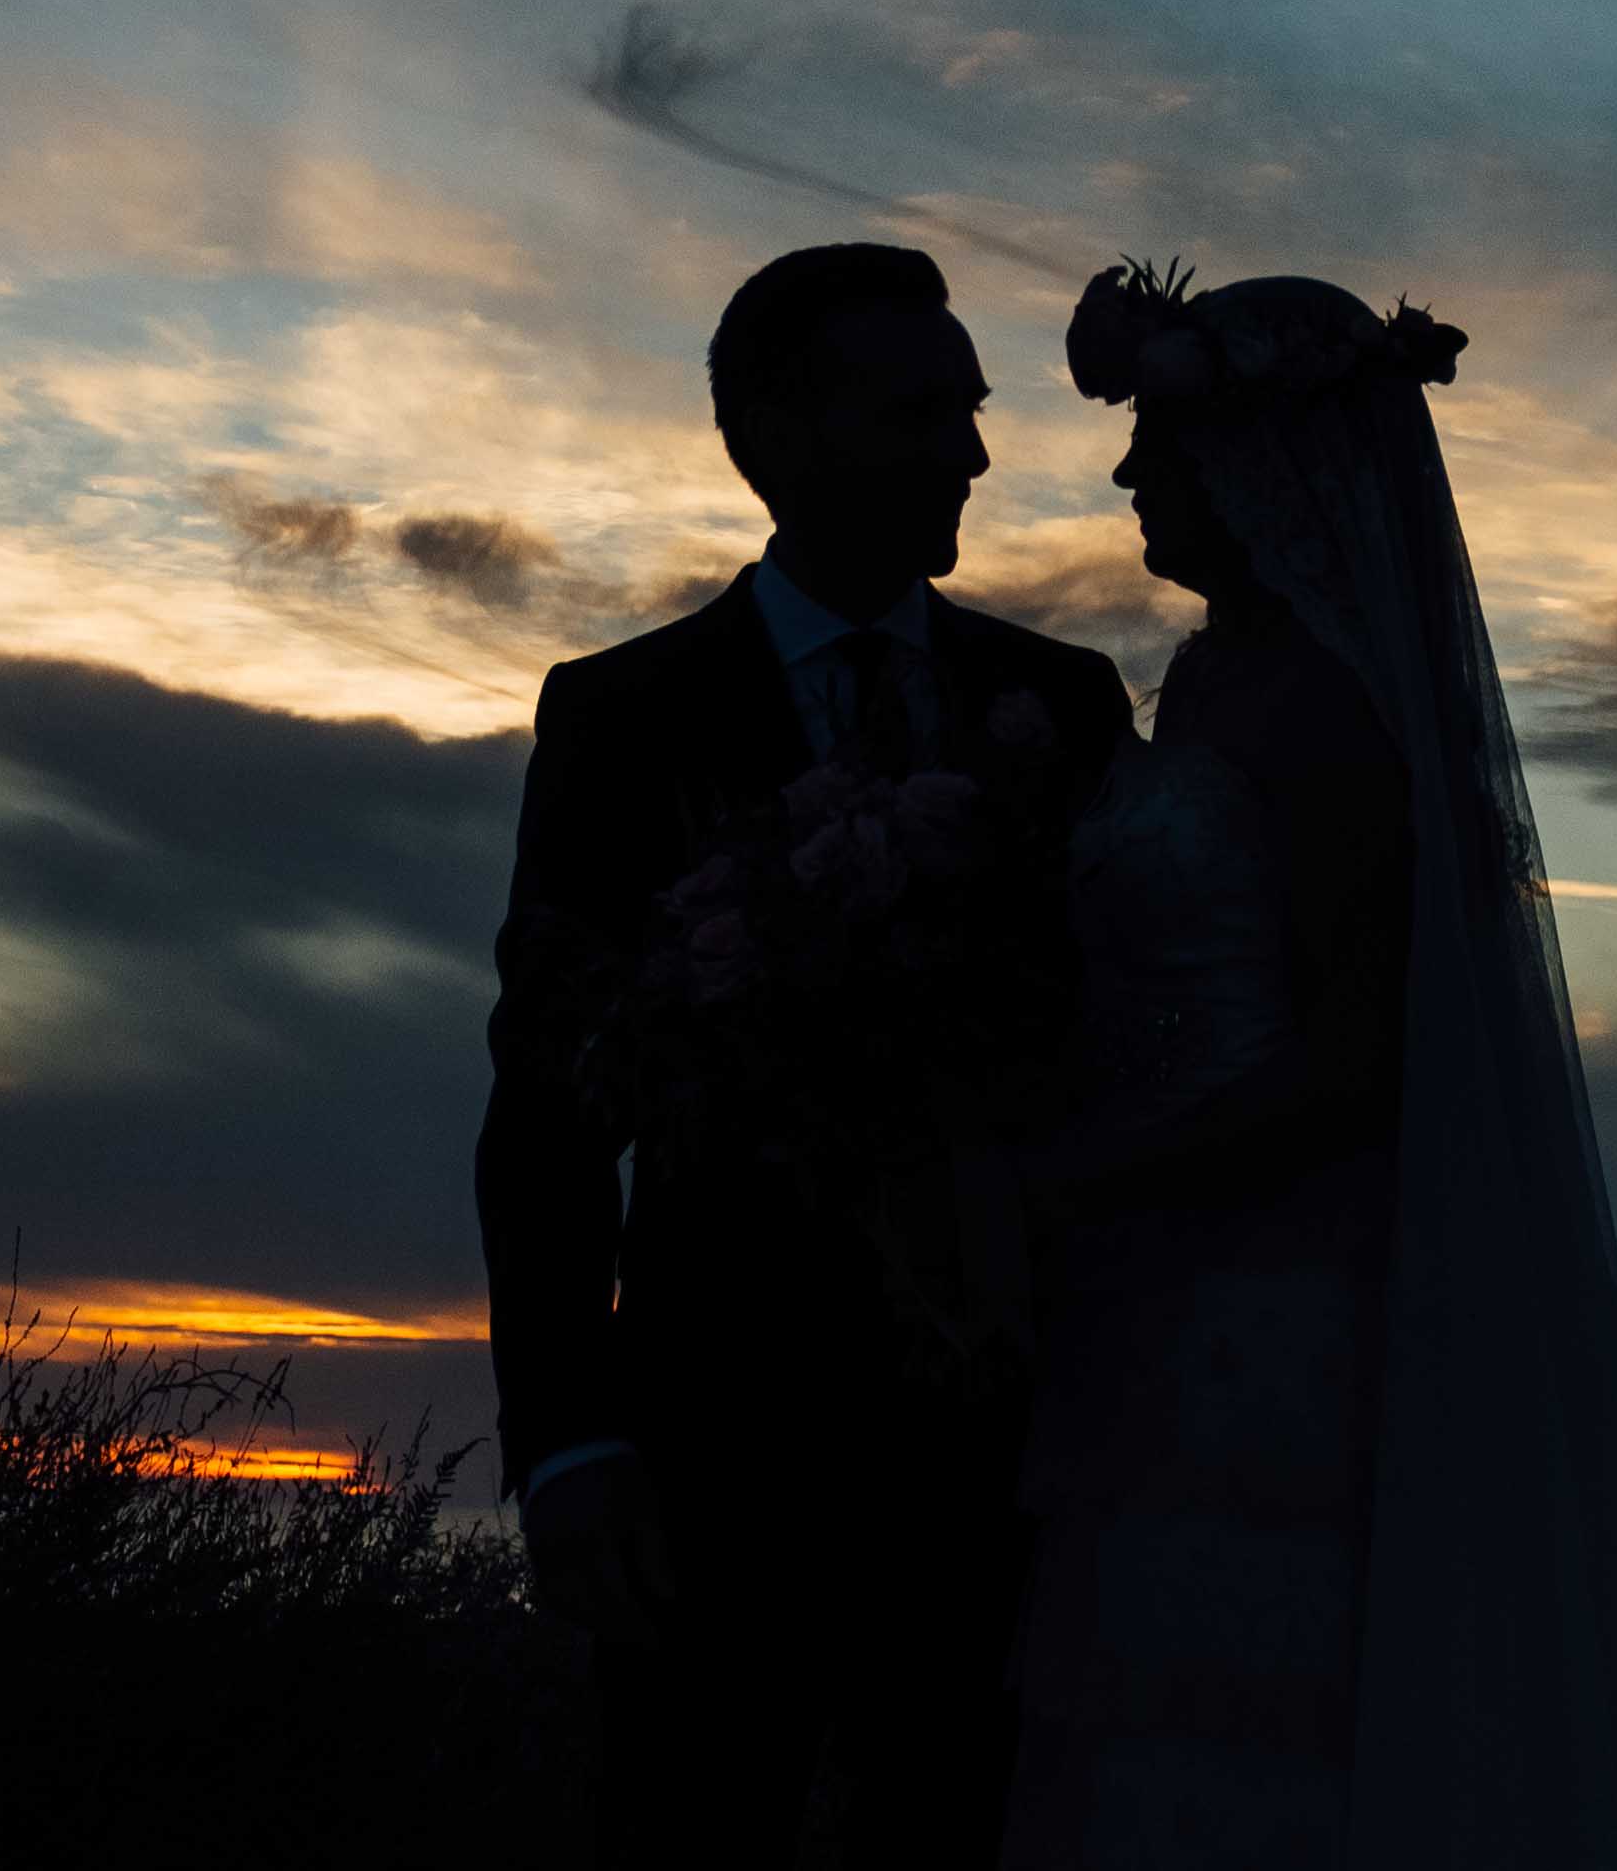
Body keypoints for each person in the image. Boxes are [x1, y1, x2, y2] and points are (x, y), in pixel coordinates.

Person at [1000, 266, 1617, 1871]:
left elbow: (1348, 1059)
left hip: (1276, 1280)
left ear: (1268, 461)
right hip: (1150, 1270)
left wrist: (1063, 1180)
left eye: (1164, 442)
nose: (1128, 475)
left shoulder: (1334, 708)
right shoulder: (1206, 678)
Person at [479, 242, 1142, 1866]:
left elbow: (1122, 1044)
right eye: (922, 409)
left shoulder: (1058, 704)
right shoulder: (621, 715)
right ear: (776, 433)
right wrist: (568, 1438)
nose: (974, 453)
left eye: (971, 407)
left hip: (1014, 1458)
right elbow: (553, 1104)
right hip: (716, 1458)